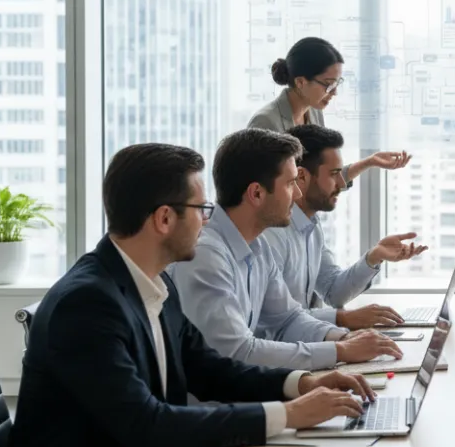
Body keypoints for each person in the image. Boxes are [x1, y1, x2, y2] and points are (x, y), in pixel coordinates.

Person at [3, 144, 375, 447]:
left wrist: (301, 383)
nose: (208, 221)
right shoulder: (88, 304)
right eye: (201, 210)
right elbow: (147, 424)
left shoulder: (155, 280)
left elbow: (209, 367)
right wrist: (287, 416)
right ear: (164, 218)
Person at [171, 128, 403, 369]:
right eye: (291, 183)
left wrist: (344, 338)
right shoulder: (206, 256)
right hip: (220, 402)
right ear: (257, 193)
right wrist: (339, 350)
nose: (299, 193)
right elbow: (236, 351)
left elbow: (287, 319)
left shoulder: (257, 245)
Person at [262, 124, 428, 329]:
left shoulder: (311, 227)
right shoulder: (272, 234)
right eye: (334, 174)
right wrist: (344, 320)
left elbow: (334, 292)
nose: (342, 184)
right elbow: (276, 321)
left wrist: (373, 257)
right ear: (302, 177)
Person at [247, 36, 412, 185]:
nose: (334, 92)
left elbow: (325, 180)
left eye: (337, 83)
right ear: (300, 82)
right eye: (328, 84)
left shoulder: (314, 112)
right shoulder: (265, 122)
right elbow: (259, 193)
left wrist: (370, 162)